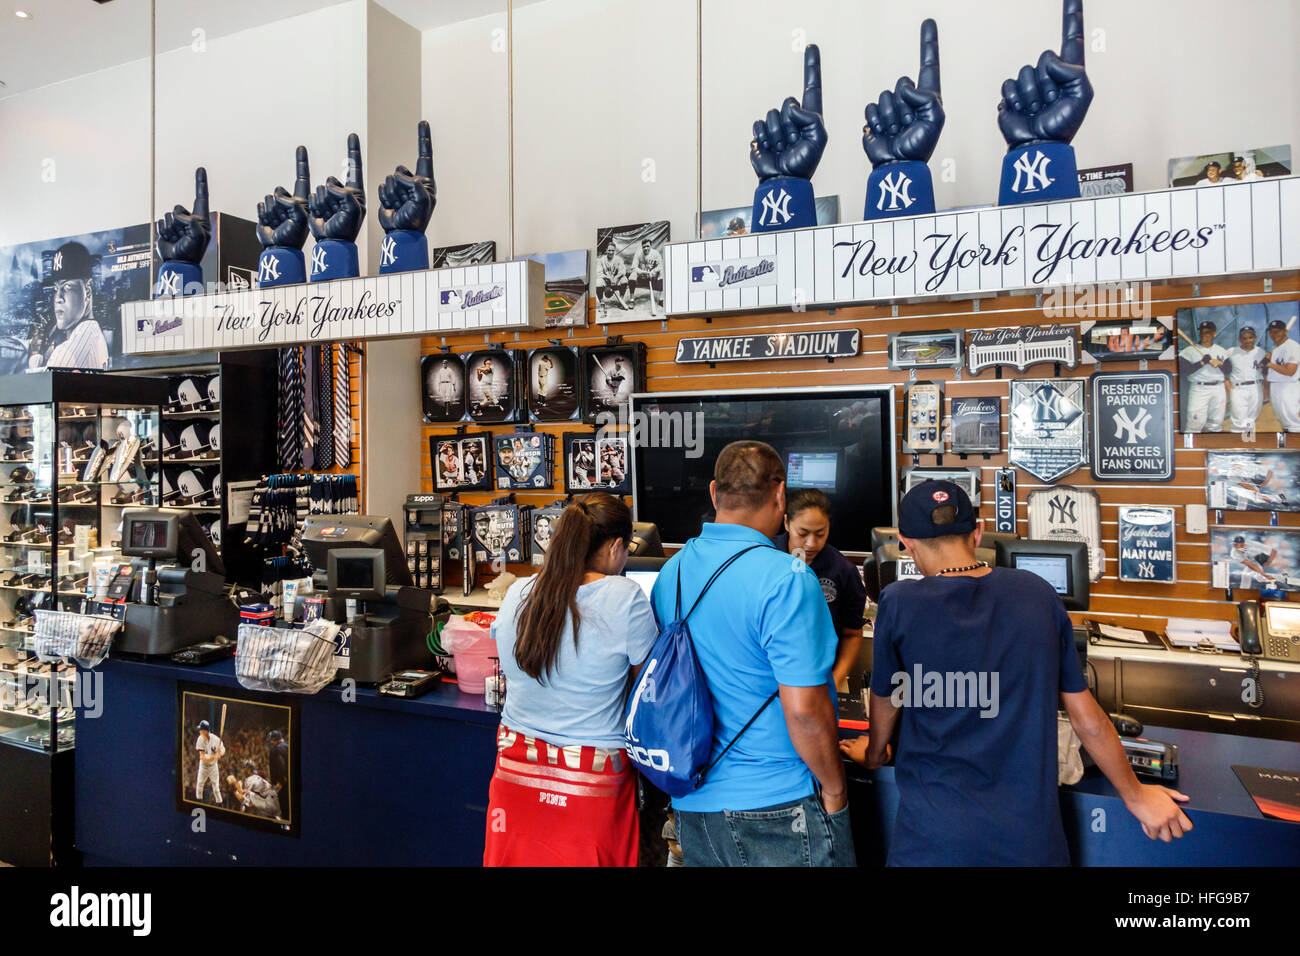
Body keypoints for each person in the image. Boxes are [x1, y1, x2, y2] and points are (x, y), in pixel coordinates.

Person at [841, 481, 1191, 865]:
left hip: (933, 840)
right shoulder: (1037, 593)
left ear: (906, 541)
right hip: (1027, 842)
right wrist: (1136, 795)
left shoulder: (898, 602)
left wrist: (874, 753)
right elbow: (1085, 716)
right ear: (977, 531)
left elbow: (885, 697)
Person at [649, 441, 852, 867]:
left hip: (694, 800)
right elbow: (803, 710)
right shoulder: (789, 578)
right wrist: (835, 788)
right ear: (780, 496)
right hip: (777, 803)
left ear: (712, 493)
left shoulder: (673, 571)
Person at [485, 492, 657, 866]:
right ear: (615, 547)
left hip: (516, 772)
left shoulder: (518, 591)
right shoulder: (625, 597)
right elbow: (648, 691)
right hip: (589, 781)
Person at [774, 489, 867, 687]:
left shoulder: (843, 571)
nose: (811, 543)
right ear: (786, 523)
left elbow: (852, 634)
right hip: (768, 675)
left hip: (824, 677)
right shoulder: (766, 557)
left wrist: (834, 682)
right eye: (803, 533)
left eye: (820, 533)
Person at [31, 242, 110, 371]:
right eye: (56, 288)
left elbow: (36, 389)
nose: (58, 298)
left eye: (67, 286)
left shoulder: (67, 352)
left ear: (88, 291)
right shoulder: (93, 333)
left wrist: (34, 356)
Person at [1178, 320, 1228, 432]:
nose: (1204, 334)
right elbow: (1184, 371)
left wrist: (1220, 364)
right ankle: (1191, 448)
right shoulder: (1189, 351)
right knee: (1194, 423)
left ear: (1214, 333)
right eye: (1202, 332)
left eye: (1207, 332)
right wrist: (1202, 363)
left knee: (1216, 423)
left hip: (1218, 388)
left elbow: (1228, 369)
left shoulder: (1221, 351)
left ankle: (1212, 445)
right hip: (1199, 389)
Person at [1224, 325, 1265, 432]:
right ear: (1239, 339)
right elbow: (1221, 367)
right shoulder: (1231, 351)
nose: (1247, 341)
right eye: (1244, 338)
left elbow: (1265, 371)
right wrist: (1226, 381)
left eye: (1250, 337)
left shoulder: (1261, 352)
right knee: (1238, 420)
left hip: (1256, 387)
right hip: (1237, 388)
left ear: (1255, 337)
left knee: (1251, 419)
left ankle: (1249, 443)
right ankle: (1237, 443)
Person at [1264, 318, 1300, 431]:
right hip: (1276, 386)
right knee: (1283, 421)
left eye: (1277, 331)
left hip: (1288, 386)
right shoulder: (1274, 348)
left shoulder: (1293, 346)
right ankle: (1286, 445)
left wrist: (1269, 364)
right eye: (1271, 331)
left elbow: (1290, 371)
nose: (1274, 334)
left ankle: (1295, 446)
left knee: (1293, 422)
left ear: (1285, 331)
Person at [194, 719, 225, 805]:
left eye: (201, 730)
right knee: (199, 785)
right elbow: (203, 757)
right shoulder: (200, 740)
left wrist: (221, 753)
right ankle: (198, 803)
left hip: (213, 766)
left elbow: (223, 749)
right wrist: (215, 756)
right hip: (203, 766)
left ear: (205, 731)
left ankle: (220, 805)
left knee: (216, 788)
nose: (199, 731)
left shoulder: (215, 739)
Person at [629, 238, 663, 317]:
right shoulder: (638, 254)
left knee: (663, 272)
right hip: (642, 275)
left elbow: (660, 265)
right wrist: (644, 272)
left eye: (647, 246)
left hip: (653, 276)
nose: (646, 248)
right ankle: (632, 299)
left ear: (651, 246)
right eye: (644, 247)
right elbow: (634, 267)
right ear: (642, 247)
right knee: (632, 275)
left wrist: (653, 271)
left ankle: (661, 299)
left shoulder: (656, 254)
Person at [596, 242, 631, 317]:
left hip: (616, 281)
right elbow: (599, 273)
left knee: (624, 280)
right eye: (609, 250)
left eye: (612, 250)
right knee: (598, 282)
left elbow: (623, 271)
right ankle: (602, 303)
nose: (611, 252)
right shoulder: (601, 260)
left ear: (614, 251)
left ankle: (621, 300)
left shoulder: (619, 259)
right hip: (606, 282)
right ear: (606, 250)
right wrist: (609, 278)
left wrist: (616, 278)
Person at [266, 729, 289, 817]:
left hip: (282, 785)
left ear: (274, 739)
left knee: (282, 808)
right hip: (289, 783)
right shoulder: (287, 746)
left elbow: (281, 764)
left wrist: (280, 781)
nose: (270, 742)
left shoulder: (276, 749)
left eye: (271, 740)